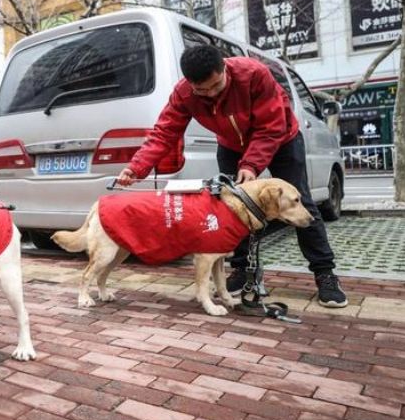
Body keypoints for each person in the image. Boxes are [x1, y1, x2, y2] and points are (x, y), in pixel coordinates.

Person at [116, 45, 347, 308]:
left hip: (282, 139)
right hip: (231, 146)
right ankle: (243, 270)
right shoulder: (184, 93)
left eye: (216, 86)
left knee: (300, 201)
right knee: (232, 209)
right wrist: (136, 168)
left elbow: (270, 127)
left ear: (224, 68)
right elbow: (164, 133)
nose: (211, 94)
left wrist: (250, 164)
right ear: (190, 83)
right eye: (202, 90)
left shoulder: (254, 74)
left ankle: (325, 274)